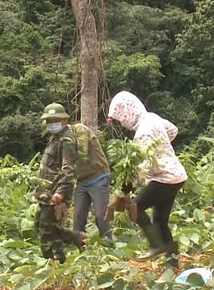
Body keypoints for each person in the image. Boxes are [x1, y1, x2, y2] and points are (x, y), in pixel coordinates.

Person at [107, 91, 187, 265]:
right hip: (177, 175)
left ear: (128, 113)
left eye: (121, 119)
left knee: (135, 206)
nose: (123, 124)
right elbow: (173, 130)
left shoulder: (142, 133)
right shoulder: (152, 118)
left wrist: (125, 190)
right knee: (160, 220)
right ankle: (172, 263)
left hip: (164, 178)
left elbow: (141, 168)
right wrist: (163, 148)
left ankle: (155, 245)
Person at [33, 103, 84, 264]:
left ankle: (54, 263)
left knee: (46, 231)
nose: (51, 123)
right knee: (42, 226)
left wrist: (60, 192)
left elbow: (69, 169)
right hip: (45, 193)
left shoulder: (67, 140)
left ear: (64, 120)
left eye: (55, 120)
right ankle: (77, 237)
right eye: (48, 120)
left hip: (55, 193)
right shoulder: (55, 138)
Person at [69, 122, 113, 243]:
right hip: (82, 181)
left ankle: (109, 245)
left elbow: (82, 151)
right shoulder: (59, 141)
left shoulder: (79, 129)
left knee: (100, 216)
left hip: (98, 177)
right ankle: (79, 247)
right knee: (78, 216)